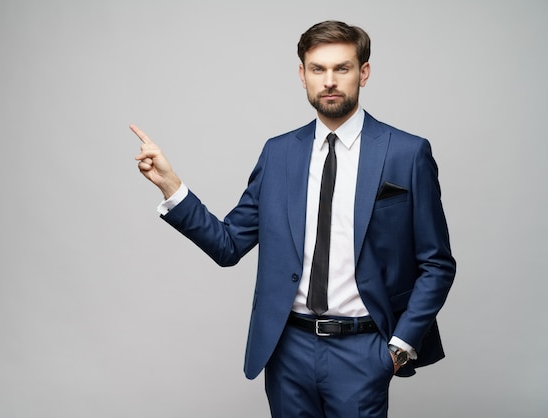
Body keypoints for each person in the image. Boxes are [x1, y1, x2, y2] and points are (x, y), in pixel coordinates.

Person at [132, 20, 455, 418]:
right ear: (302, 75)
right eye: (318, 69)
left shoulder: (407, 153)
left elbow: (437, 263)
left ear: (364, 73)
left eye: (343, 68)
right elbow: (228, 244)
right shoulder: (278, 153)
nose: (330, 81)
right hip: (288, 352)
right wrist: (172, 186)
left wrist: (398, 348)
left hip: (364, 350)